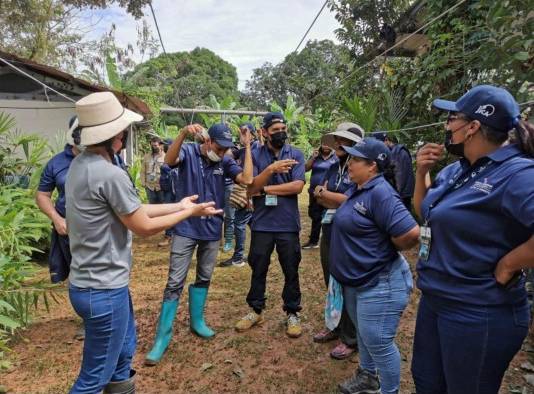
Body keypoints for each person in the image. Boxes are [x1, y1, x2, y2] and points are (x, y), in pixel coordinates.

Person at [65, 91, 221, 393]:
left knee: (123, 355)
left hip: (96, 284)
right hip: (103, 289)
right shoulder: (109, 173)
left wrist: (180, 205)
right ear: (114, 137)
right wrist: (187, 213)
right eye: (122, 132)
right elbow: (144, 226)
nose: (124, 137)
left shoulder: (80, 165)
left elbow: (133, 210)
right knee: (93, 378)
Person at [411, 85, 534, 394]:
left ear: (473, 127)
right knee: (427, 383)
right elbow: (426, 212)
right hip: (436, 299)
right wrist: (421, 172)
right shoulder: (457, 169)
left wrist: (509, 263)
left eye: (452, 118)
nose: (446, 126)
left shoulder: (517, 173)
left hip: (478, 310)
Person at [144, 122, 253, 366]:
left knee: (204, 276)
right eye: (220, 147)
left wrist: (246, 147)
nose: (223, 152)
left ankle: (197, 322)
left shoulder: (225, 161)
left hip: (212, 228)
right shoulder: (189, 151)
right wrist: (182, 133)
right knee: (175, 281)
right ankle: (162, 337)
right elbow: (168, 163)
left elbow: (246, 179)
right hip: (186, 227)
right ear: (207, 141)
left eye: (227, 149)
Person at [330, 138, 419, 394]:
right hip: (359, 281)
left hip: (379, 283)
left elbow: (411, 233)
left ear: (372, 166)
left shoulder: (381, 192)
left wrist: (387, 250)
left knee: (378, 341)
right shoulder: (359, 189)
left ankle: (389, 390)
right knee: (364, 334)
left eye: (355, 159)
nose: (349, 163)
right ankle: (367, 376)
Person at [234, 112, 306, 338]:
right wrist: (270, 171)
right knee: (258, 267)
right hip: (262, 223)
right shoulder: (254, 154)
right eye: (275, 130)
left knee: (291, 269)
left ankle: (292, 312)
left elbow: (297, 186)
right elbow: (249, 187)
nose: (280, 133)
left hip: (287, 224)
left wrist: (265, 189)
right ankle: (256, 310)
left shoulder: (295, 154)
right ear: (264, 132)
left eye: (283, 129)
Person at [312, 122, 363, 360]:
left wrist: (326, 195)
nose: (340, 145)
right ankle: (335, 326)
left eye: (346, 141)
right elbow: (322, 196)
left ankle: (351, 337)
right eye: (338, 141)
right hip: (329, 228)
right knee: (331, 281)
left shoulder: (360, 168)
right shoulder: (334, 167)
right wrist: (328, 196)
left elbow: (348, 200)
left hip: (350, 235)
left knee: (348, 284)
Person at [220, 122, 260, 267]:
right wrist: (225, 138)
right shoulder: (241, 149)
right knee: (252, 223)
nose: (243, 134)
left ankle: (238, 257)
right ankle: (255, 253)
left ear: (254, 134)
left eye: (246, 131)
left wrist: (250, 142)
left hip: (250, 191)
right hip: (243, 190)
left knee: (239, 223)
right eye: (241, 132)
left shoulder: (256, 147)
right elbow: (226, 154)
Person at [302, 142, 337, 249]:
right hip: (313, 192)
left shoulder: (336, 157)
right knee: (314, 214)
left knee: (326, 217)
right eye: (324, 144)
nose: (326, 146)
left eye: (328, 144)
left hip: (328, 193)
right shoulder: (316, 156)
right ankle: (315, 240)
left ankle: (323, 240)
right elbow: (305, 168)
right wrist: (313, 158)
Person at [371, 131, 415, 209]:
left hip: (401, 196)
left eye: (379, 144)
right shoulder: (387, 153)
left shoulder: (399, 152)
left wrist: (395, 197)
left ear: (386, 140)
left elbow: (400, 177)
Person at [158, 138, 176, 247]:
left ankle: (177, 235)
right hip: (168, 190)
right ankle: (168, 236)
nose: (163, 147)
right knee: (168, 212)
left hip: (178, 190)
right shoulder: (165, 159)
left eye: (165, 145)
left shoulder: (178, 157)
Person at [141, 136, 166, 205]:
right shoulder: (146, 156)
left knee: (162, 206)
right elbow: (143, 170)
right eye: (152, 145)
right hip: (149, 187)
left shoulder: (165, 157)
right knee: (152, 206)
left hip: (161, 187)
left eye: (155, 145)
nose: (154, 147)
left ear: (160, 145)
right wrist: (144, 183)